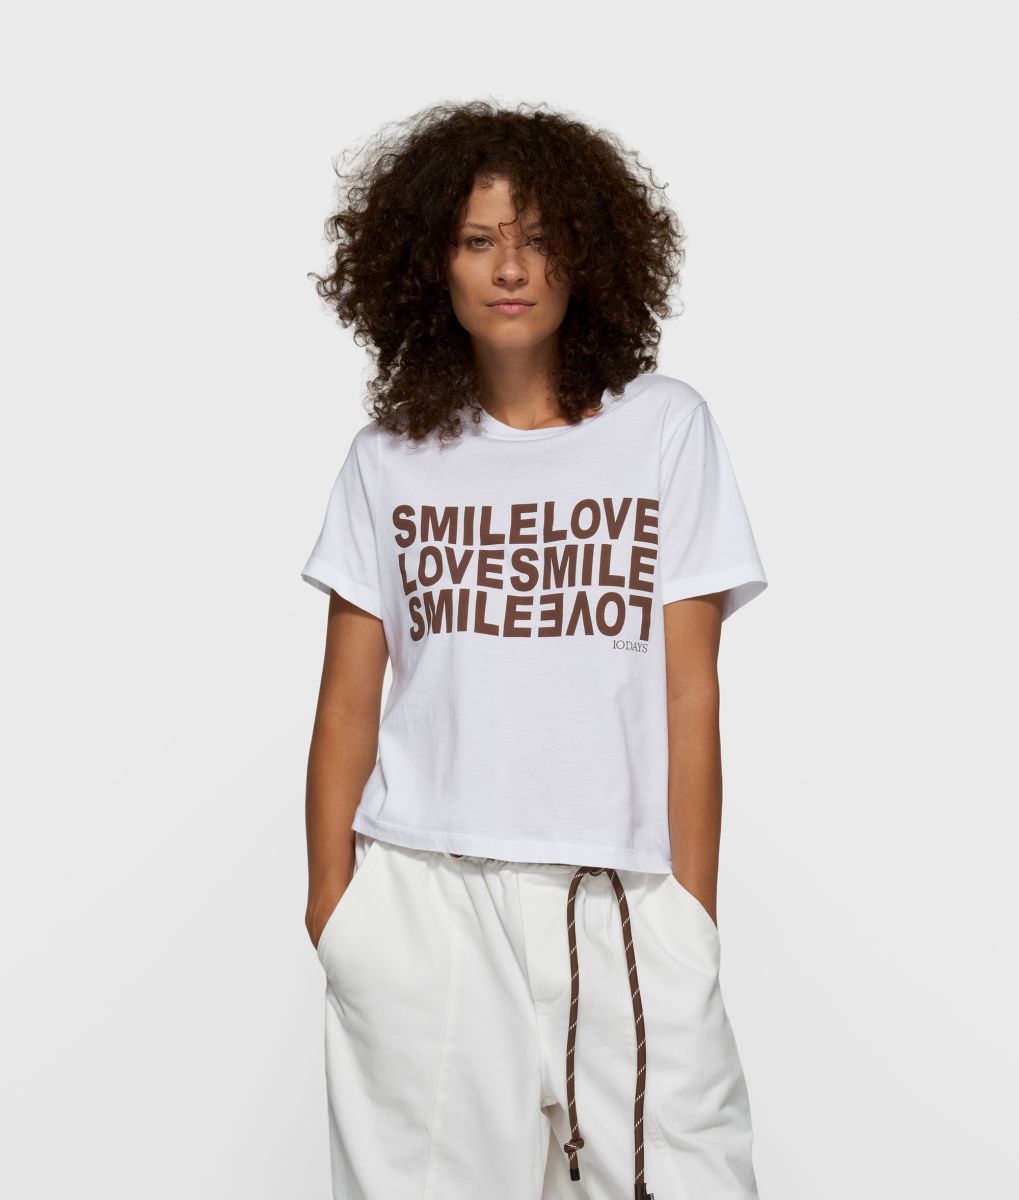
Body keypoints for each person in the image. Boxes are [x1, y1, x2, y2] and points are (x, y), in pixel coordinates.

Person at [300, 100, 768, 1200]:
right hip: (421, 894)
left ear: (588, 256)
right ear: (430, 266)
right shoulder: (387, 460)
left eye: (540, 237)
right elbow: (346, 704)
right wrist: (334, 909)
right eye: (476, 240)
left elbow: (688, 689)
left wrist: (689, 913)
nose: (509, 267)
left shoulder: (663, 428)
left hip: (617, 890)